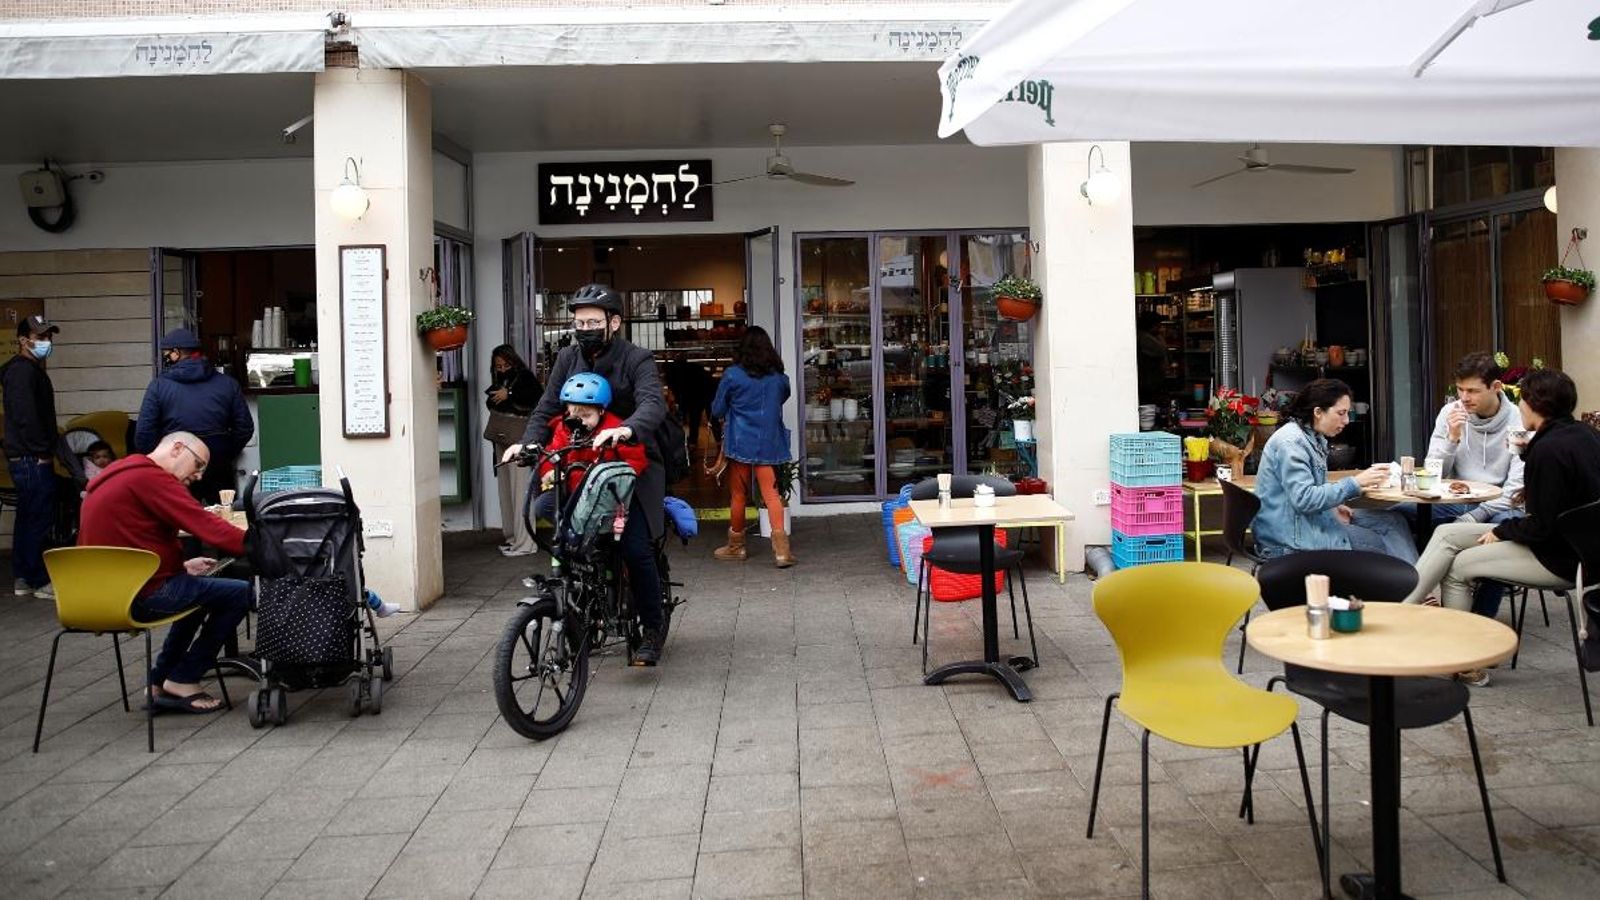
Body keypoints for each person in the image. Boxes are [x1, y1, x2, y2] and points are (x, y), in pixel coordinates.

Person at [502, 284, 671, 666]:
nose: (585, 328)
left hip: (630, 461)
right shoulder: (567, 357)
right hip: (578, 458)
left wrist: (626, 428)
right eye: (579, 322)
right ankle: (583, 600)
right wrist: (529, 444)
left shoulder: (637, 358)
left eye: (594, 321)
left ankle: (652, 628)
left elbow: (651, 403)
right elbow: (547, 409)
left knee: (633, 545)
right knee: (551, 510)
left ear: (614, 323)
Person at [1404, 369, 1600, 685]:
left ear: (1535, 405)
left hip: (1563, 558)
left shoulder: (1549, 450)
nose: (1518, 407)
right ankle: (1401, 614)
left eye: (1522, 400)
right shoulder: (1584, 435)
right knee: (1446, 533)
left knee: (1458, 567)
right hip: (1580, 546)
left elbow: (1542, 526)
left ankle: (1465, 659)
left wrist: (1501, 531)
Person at [79, 431, 249, 713]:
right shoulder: (151, 477)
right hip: (138, 595)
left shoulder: (120, 473)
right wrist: (257, 545)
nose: (198, 476)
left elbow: (126, 545)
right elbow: (203, 523)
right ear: (177, 448)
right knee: (241, 593)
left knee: (193, 591)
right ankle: (184, 677)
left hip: (102, 595)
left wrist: (179, 566)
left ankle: (158, 682)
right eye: (198, 465)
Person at [1252, 378, 1418, 562]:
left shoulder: (1312, 436)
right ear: (1318, 412)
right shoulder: (1291, 442)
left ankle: (1418, 585)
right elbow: (1304, 499)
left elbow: (1307, 490)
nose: (1346, 420)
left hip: (1304, 522)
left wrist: (1333, 506)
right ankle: (1407, 585)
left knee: (1393, 520)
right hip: (1288, 541)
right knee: (1375, 542)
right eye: (1341, 413)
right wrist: (1356, 483)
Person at [1423, 351, 1528, 616]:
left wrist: (1474, 516)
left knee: (1504, 531)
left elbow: (1515, 491)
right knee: (1391, 517)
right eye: (1460, 390)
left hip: (1499, 507)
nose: (1464, 398)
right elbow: (1432, 474)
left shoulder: (1518, 420)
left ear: (1496, 387)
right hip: (1455, 503)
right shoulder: (1450, 412)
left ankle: (1482, 620)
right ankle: (1419, 592)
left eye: (1472, 391)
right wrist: (1452, 438)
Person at [134, 328, 254, 505]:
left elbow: (144, 434)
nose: (165, 358)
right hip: (218, 464)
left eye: (167, 354)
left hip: (176, 467)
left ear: (176, 353)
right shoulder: (227, 384)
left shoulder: (158, 387)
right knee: (225, 520)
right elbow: (244, 428)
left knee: (177, 520)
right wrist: (224, 452)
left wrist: (161, 462)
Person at [709, 326, 795, 567]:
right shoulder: (779, 378)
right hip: (768, 441)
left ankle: (736, 546)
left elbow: (717, 410)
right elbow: (782, 396)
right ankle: (782, 552)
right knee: (772, 495)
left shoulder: (733, 375)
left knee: (738, 495)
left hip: (740, 444)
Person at [532, 373, 649, 522]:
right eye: (574, 416)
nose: (581, 421)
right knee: (543, 506)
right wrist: (549, 472)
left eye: (587, 416)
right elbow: (552, 451)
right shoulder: (564, 427)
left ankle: (578, 531)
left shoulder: (614, 428)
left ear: (601, 411)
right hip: (571, 488)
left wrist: (616, 478)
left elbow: (636, 459)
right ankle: (570, 529)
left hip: (604, 493)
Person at [2, 314, 63, 600]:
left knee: (28, 518)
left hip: (26, 457)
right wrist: (41, 452)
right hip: (30, 458)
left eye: (48, 336)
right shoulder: (22, 372)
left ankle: (25, 577)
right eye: (40, 337)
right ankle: (37, 579)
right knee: (38, 517)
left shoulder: (27, 370)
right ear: (23, 340)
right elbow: (27, 417)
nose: (46, 342)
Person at [486, 345, 542, 558]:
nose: (501, 369)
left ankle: (526, 543)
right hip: (502, 438)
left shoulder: (524, 377)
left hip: (518, 438)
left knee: (519, 490)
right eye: (498, 366)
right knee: (506, 488)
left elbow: (536, 397)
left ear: (513, 361)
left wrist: (508, 394)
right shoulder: (502, 379)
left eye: (505, 364)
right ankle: (513, 537)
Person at [663, 351, 718, 455]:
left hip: (698, 394)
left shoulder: (673, 373)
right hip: (708, 392)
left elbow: (679, 391)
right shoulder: (692, 368)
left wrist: (680, 405)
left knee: (695, 419)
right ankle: (719, 444)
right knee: (711, 418)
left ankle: (693, 443)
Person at [1135, 312, 1170, 405]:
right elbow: (1161, 350)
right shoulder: (1145, 338)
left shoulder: (1146, 336)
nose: (1160, 327)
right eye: (1158, 325)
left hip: (1150, 381)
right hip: (1149, 382)